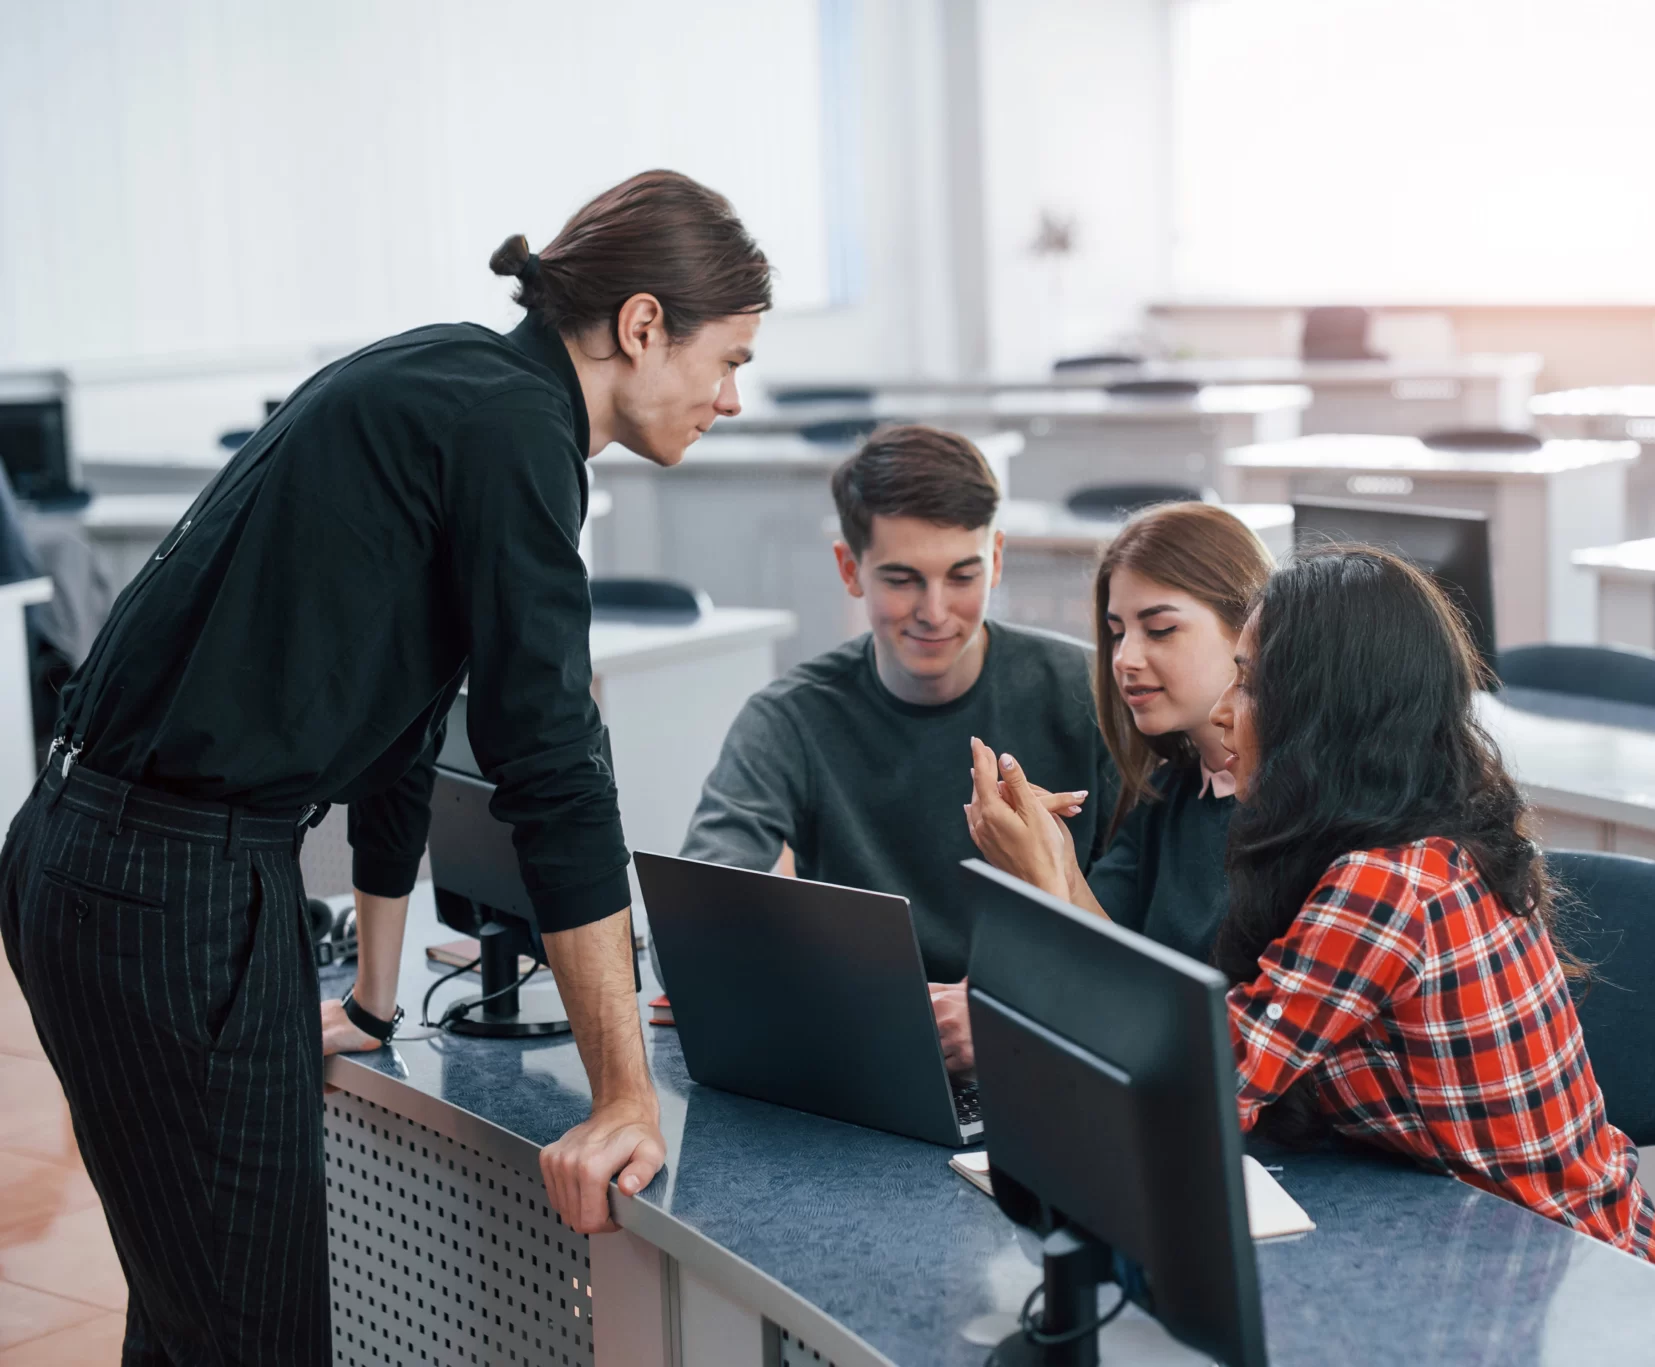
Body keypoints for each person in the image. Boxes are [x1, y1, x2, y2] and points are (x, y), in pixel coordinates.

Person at [0, 169, 770, 1364]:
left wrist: (371, 991)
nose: (729, 396)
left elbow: (401, 728)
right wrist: (622, 1096)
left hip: (93, 858)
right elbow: (553, 767)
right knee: (251, 1336)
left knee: (189, 1308)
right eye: (728, 360)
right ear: (640, 326)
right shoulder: (519, 434)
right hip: (170, 892)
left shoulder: (451, 373)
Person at [1205, 544, 1655, 1266]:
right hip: (1490, 1243)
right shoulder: (1432, 832)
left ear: (1321, 713)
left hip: (1575, 1282)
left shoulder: (1388, 882)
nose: (1222, 712)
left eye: (1249, 684)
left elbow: (1209, 1084)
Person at [682, 424, 1117, 1068]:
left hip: (1063, 1045)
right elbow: (692, 931)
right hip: (867, 1045)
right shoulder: (791, 719)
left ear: (996, 558)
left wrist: (1018, 1009)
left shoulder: (1095, 696)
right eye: (903, 579)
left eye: (962, 575)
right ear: (849, 570)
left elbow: (1151, 952)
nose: (935, 611)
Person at [964, 500, 1271, 961]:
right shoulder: (1167, 794)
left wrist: (1046, 873)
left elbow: (1160, 1014)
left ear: (1249, 627)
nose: (1124, 659)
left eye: (1161, 629)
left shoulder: (1296, 816)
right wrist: (1056, 858)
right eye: (1116, 633)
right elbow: (1109, 960)